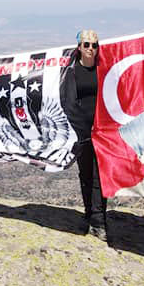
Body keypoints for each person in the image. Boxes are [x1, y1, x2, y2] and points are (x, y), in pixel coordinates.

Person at [59, 30, 107, 241]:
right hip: (80, 132)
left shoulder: (103, 69)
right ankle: (89, 214)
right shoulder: (70, 71)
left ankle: (99, 221)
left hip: (102, 132)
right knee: (86, 175)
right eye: (86, 44)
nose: (91, 49)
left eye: (94, 45)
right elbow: (64, 100)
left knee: (100, 177)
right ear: (79, 47)